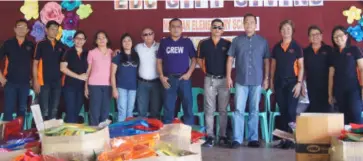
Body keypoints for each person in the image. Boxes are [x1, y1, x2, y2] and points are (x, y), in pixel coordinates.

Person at [226, 13, 270, 148]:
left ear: (255, 25)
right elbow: (230, 59)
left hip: (257, 81)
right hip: (241, 81)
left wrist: (266, 78)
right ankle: (237, 139)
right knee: (238, 110)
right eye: (246, 22)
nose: (249, 25)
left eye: (252, 22)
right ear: (243, 24)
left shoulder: (263, 41)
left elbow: (267, 60)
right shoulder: (236, 41)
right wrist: (228, 76)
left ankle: (253, 138)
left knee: (254, 110)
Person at [270, 20, 304, 149]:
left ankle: (293, 139)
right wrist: (272, 82)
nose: (286, 31)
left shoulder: (296, 47)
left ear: (292, 31)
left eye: (288, 29)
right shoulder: (276, 47)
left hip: (293, 83)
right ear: (280, 31)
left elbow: (301, 67)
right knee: (283, 112)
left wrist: (299, 83)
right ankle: (284, 140)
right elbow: (273, 66)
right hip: (279, 83)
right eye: (283, 29)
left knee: (291, 111)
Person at [197, 19, 231, 147]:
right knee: (209, 109)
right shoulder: (203, 43)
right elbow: (199, 59)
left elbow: (230, 60)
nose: (217, 29)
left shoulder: (227, 43)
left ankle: (222, 136)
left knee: (223, 109)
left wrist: (228, 77)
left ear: (222, 30)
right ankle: (210, 136)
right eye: (215, 27)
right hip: (209, 79)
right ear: (210, 28)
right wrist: (206, 70)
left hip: (224, 80)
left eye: (219, 27)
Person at [157, 18, 197, 125]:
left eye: (178, 26)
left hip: (184, 79)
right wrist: (161, 76)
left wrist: (189, 74)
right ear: (169, 28)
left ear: (182, 28)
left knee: (188, 106)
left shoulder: (187, 42)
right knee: (168, 107)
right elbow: (159, 61)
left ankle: (189, 133)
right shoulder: (164, 42)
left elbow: (194, 59)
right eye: (173, 26)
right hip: (169, 79)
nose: (176, 29)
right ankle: (168, 135)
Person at [0, 19, 34, 121]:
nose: (21, 29)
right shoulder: (8, 43)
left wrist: (34, 79)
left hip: (25, 83)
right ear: (14, 29)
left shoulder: (31, 45)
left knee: (22, 110)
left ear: (27, 30)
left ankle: (20, 135)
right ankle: (6, 136)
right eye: (19, 27)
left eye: (24, 27)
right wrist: (1, 78)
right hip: (10, 82)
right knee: (8, 110)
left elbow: (36, 64)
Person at [329, 26, 363, 124]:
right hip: (339, 90)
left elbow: (361, 68)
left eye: (340, 35)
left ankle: (360, 138)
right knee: (344, 118)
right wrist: (330, 94)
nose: (338, 38)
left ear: (346, 36)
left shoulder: (354, 49)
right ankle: (347, 139)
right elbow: (331, 75)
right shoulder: (333, 53)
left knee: (356, 114)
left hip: (353, 89)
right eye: (335, 37)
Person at [33, 20, 65, 120]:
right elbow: (35, 63)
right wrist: (35, 81)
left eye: (56, 30)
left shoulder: (61, 46)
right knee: (44, 109)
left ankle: (52, 133)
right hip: (43, 81)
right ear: (46, 30)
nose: (54, 32)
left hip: (57, 82)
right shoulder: (40, 44)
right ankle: (42, 133)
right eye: (52, 29)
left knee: (54, 109)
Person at [85, 31, 112, 126]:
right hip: (94, 85)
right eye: (99, 38)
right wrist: (86, 87)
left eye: (103, 37)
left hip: (108, 85)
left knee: (105, 111)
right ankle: (94, 134)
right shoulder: (92, 53)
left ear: (107, 39)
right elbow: (88, 70)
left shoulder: (111, 52)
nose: (101, 40)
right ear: (96, 41)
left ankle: (103, 135)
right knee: (94, 111)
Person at [60, 31, 88, 123]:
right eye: (77, 38)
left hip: (82, 87)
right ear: (73, 40)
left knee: (76, 111)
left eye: (82, 39)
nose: (79, 41)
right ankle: (69, 135)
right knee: (71, 111)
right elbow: (63, 68)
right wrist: (78, 76)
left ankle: (72, 132)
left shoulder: (87, 53)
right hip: (70, 86)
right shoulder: (68, 52)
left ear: (85, 41)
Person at [303, 25, 332, 113]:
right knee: (314, 110)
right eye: (312, 35)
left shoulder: (329, 49)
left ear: (321, 36)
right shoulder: (305, 51)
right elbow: (302, 69)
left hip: (327, 85)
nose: (315, 36)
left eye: (317, 34)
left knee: (327, 110)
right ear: (309, 38)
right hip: (311, 85)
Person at [135, 28, 162, 119]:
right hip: (142, 83)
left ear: (154, 35)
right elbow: (127, 53)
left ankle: (156, 132)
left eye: (150, 33)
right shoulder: (138, 47)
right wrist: (117, 51)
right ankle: (141, 131)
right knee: (141, 110)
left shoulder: (160, 46)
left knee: (155, 110)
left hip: (157, 83)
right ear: (142, 37)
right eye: (145, 34)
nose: (148, 36)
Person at [111, 33, 139, 122]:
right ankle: (120, 133)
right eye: (124, 41)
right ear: (121, 44)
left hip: (133, 88)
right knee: (122, 111)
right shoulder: (118, 57)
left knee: (130, 111)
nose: (127, 42)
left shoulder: (136, 56)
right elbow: (112, 74)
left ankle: (128, 133)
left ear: (132, 43)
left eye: (129, 40)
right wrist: (114, 89)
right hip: (121, 88)